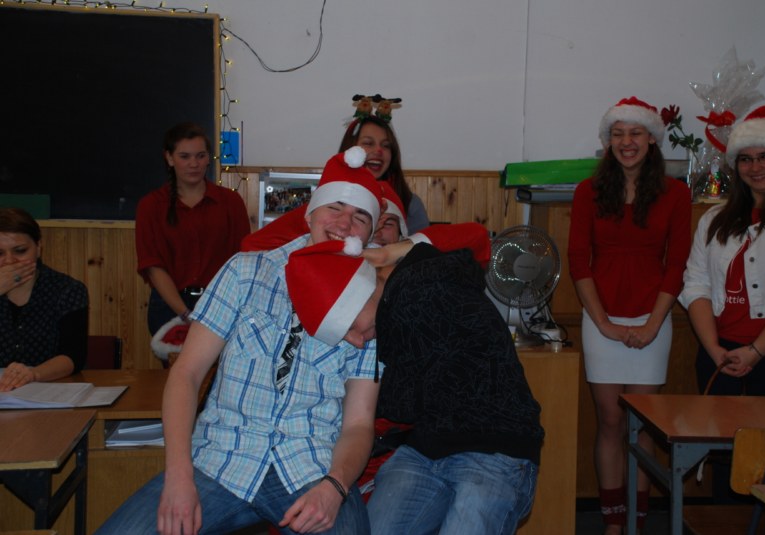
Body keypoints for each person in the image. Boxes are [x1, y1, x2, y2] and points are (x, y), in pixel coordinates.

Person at [96, 147, 384, 535]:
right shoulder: (246, 272)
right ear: (309, 214)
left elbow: (359, 424)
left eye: (361, 217)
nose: (345, 223)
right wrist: (178, 476)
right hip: (221, 459)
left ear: (369, 234)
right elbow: (187, 374)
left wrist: (335, 487)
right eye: (334, 207)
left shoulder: (370, 307)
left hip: (310, 469)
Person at [289, 238, 543, 535]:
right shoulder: (417, 283)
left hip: (497, 447)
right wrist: (395, 251)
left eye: (349, 327)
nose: (356, 341)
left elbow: (400, 405)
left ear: (360, 295)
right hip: (428, 446)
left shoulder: (414, 298)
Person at [567, 97, 691, 533]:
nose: (626, 142)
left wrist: (653, 324)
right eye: (617, 134)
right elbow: (578, 261)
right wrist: (603, 323)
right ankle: (613, 521)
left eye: (635, 133)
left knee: (642, 425)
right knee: (610, 420)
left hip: (652, 320)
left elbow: (676, 264)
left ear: (651, 139)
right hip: (601, 319)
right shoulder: (588, 192)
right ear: (608, 142)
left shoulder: (676, 194)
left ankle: (637, 520)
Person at [679, 105, 765, 397]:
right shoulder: (713, 220)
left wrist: (756, 351)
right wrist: (713, 348)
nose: (755, 167)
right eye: (746, 159)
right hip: (720, 355)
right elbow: (696, 285)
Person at [241, 113, 429, 253]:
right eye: (368, 143)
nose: (378, 151)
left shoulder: (409, 203)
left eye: (386, 146)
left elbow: (426, 253)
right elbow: (253, 244)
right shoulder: (324, 206)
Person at [136, 122, 250, 337]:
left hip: (221, 305)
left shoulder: (230, 202)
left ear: (208, 158)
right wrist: (185, 313)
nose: (194, 164)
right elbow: (153, 266)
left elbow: (243, 260)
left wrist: (216, 309)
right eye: (184, 156)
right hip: (170, 307)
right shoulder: (151, 206)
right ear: (169, 158)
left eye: (200, 156)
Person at [0, 207, 88, 391]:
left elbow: (72, 356)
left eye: (20, 251)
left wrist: (33, 374)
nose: (9, 261)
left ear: (38, 248)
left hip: (47, 390)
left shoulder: (67, 289)